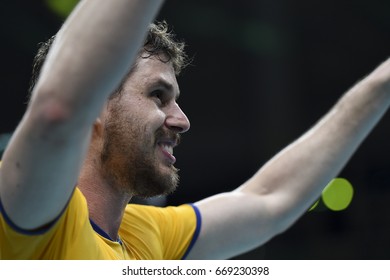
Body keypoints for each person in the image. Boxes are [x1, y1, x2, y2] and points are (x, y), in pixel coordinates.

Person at [0, 0, 389, 260]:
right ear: (97, 103)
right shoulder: (34, 218)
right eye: (158, 95)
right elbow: (58, 111)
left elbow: (272, 199)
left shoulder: (146, 239)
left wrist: (380, 87)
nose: (182, 120)